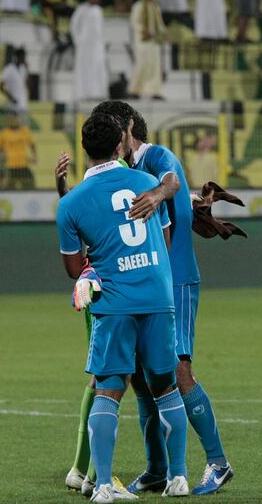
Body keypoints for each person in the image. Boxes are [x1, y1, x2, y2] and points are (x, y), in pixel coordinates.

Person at [87, 100, 234, 496]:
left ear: (129, 127)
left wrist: (159, 195)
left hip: (177, 281)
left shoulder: (155, 155)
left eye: (117, 127)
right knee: (142, 380)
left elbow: (170, 181)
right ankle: (156, 468)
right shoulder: (127, 172)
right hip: (147, 285)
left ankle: (218, 463)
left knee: (178, 372)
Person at [56, 112, 190, 502]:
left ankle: (100, 486)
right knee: (165, 387)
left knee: (108, 391)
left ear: (84, 150)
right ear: (120, 146)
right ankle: (178, 477)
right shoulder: (148, 182)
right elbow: (164, 241)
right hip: (156, 297)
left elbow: (73, 268)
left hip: (114, 305)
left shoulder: (72, 203)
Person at [70, 0, 109, 102]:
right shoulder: (81, 9)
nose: (97, 1)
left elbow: (101, 28)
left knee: (98, 66)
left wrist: (103, 42)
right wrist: (77, 41)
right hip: (84, 46)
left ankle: (98, 93)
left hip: (97, 45)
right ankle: (83, 93)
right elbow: (74, 25)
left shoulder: (99, 10)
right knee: (84, 69)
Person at [129, 0, 167, 99]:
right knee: (141, 65)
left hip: (154, 41)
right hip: (141, 40)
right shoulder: (138, 6)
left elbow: (159, 24)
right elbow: (134, 23)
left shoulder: (155, 7)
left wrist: (164, 32)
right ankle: (134, 91)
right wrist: (144, 30)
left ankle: (154, 92)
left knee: (154, 67)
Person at [0, 113, 36, 189]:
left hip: (23, 164)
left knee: (30, 184)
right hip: (10, 165)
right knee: (10, 187)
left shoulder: (24, 131)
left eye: (15, 119)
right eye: (11, 119)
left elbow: (32, 144)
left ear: (19, 120)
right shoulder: (4, 133)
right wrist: (2, 154)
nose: (14, 121)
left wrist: (34, 156)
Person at [0, 48, 29, 121]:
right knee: (11, 128)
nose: (23, 59)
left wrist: (28, 69)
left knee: (23, 128)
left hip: (22, 104)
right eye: (21, 57)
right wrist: (11, 97)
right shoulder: (8, 69)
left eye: (24, 57)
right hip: (11, 105)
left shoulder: (24, 69)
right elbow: (0, 87)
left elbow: (29, 84)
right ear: (16, 57)